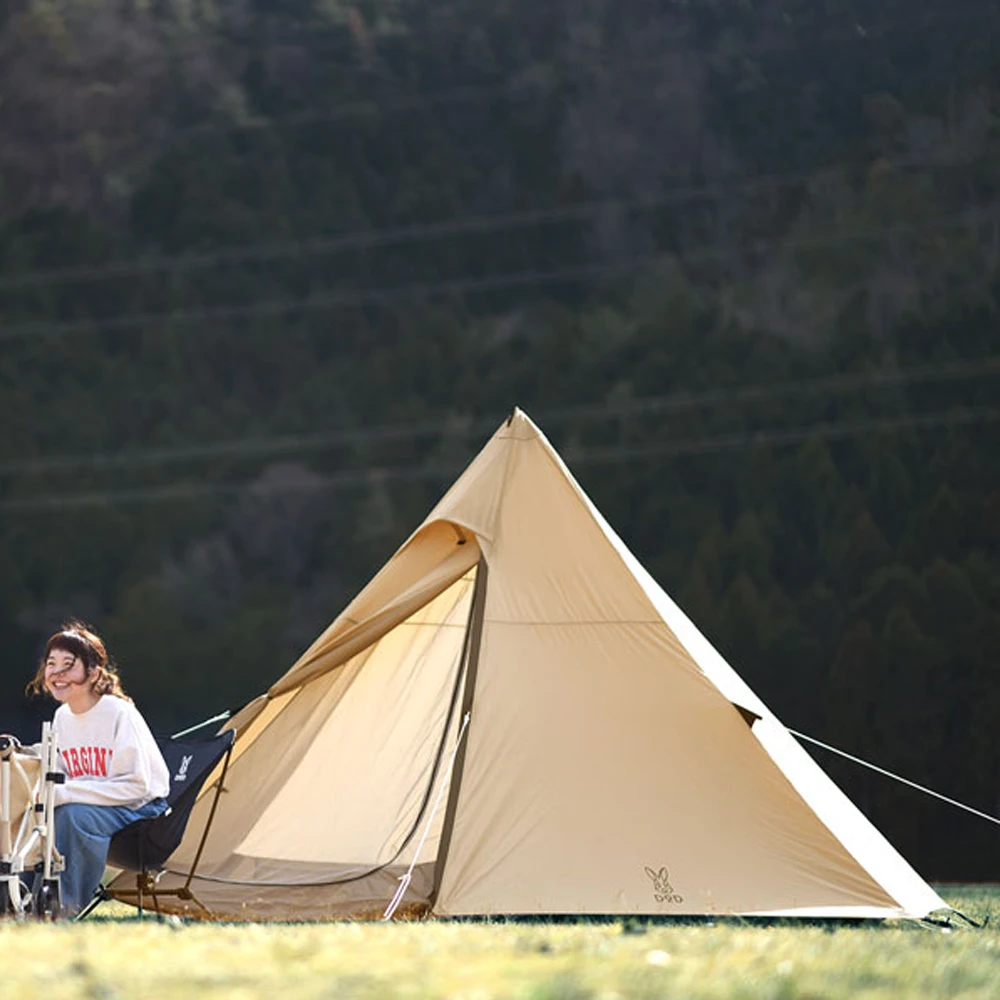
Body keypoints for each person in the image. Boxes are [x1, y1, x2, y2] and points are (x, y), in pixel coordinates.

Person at [25, 621, 170, 917]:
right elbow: (60, 780)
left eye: (68, 665)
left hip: (141, 812)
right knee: (30, 813)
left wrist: (67, 794)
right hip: (96, 808)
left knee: (72, 814)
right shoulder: (62, 717)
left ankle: (64, 909)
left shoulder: (118, 712)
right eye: (51, 664)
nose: (57, 673)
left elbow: (137, 787)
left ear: (93, 673)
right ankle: (20, 903)